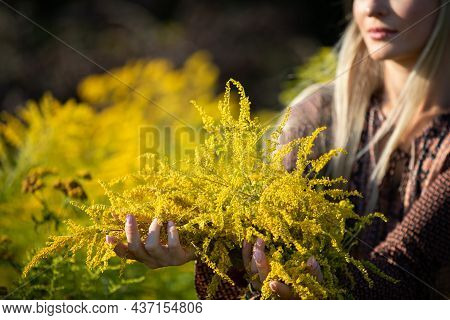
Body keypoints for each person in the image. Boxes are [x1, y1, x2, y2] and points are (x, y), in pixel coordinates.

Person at [105, 0, 450, 299]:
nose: (373, 7)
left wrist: (320, 293)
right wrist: (204, 241)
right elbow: (263, 235)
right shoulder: (317, 116)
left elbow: (405, 264)